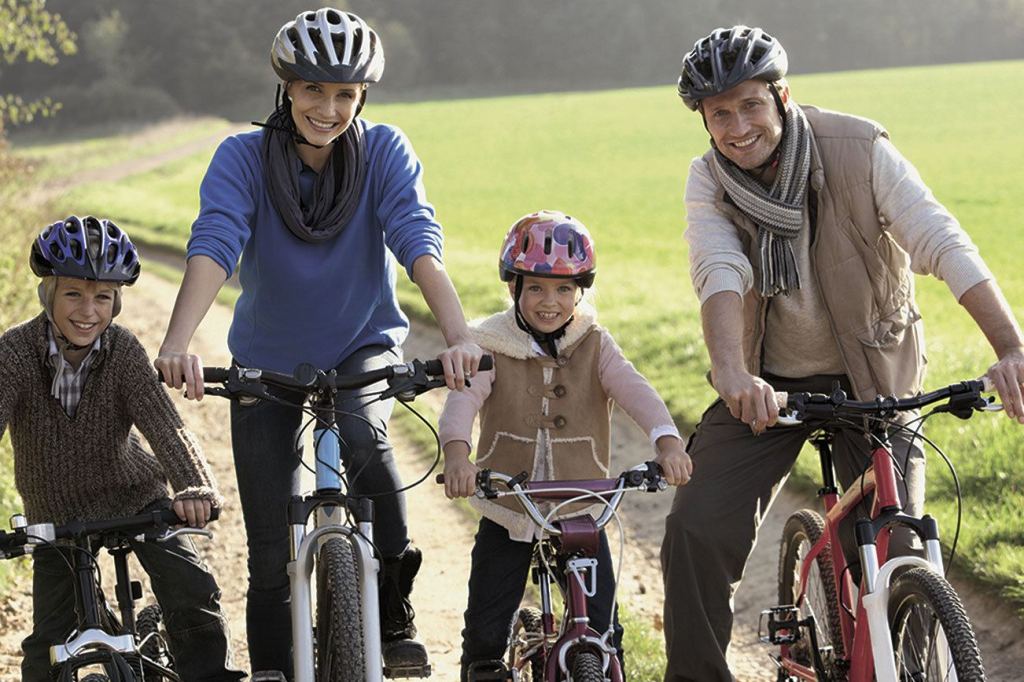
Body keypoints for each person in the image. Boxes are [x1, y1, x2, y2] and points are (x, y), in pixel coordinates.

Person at [660, 25, 1024, 681]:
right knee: (697, 525)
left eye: (750, 105)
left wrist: (1011, 347)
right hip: (767, 385)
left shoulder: (859, 149)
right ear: (704, 121)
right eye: (720, 114)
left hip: (873, 377)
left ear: (782, 97)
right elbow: (718, 271)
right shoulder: (709, 179)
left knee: (896, 545)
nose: (738, 128)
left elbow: (940, 240)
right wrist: (733, 374)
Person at [153, 7, 483, 679]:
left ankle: (393, 607)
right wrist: (178, 339)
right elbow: (216, 241)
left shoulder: (385, 150)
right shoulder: (242, 157)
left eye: (344, 94)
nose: (327, 109)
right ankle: (273, 668)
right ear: (286, 87)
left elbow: (416, 237)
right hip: (267, 360)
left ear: (362, 97)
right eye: (312, 89)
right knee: (269, 548)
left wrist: (458, 336)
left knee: (364, 437)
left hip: (362, 342)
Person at [438, 210, 693, 681]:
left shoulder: (594, 344)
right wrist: (458, 455)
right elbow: (463, 400)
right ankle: (484, 664)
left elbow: (636, 392)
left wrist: (668, 442)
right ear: (513, 288)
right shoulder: (489, 343)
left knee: (603, 632)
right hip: (510, 508)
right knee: (486, 635)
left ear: (581, 291)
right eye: (535, 287)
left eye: (563, 289)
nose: (549, 301)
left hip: (581, 508)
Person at [0, 216, 244, 682]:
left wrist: (194, 485)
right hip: (55, 518)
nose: (88, 311)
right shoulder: (13, 353)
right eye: (74, 294)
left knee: (191, 591)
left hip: (134, 498)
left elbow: (165, 425)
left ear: (117, 301)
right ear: (48, 294)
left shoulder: (123, 350)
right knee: (47, 643)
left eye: (103, 297)